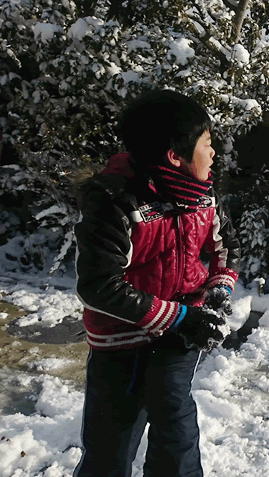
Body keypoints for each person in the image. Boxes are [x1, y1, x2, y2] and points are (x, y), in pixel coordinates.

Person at [73, 89, 240, 477]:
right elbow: (99, 285)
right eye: (207, 144)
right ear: (174, 156)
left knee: (174, 420)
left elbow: (225, 249)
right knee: (111, 444)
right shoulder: (115, 201)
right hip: (120, 337)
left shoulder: (203, 196)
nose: (213, 154)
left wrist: (219, 287)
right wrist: (179, 316)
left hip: (181, 333)